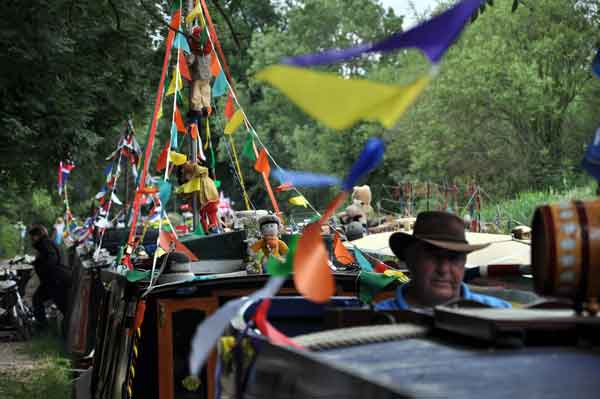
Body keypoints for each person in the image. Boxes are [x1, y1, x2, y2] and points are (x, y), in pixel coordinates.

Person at [375, 211, 511, 310]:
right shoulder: (373, 320)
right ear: (410, 260)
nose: (444, 269)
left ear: (464, 264)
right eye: (433, 256)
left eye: (454, 258)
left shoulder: (499, 312)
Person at [28, 224, 72, 331]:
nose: (31, 239)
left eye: (32, 236)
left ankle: (46, 328)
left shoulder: (44, 243)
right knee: (38, 298)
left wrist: (42, 267)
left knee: (64, 307)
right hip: (54, 279)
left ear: (37, 235)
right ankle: (42, 327)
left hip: (56, 280)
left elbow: (52, 259)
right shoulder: (46, 243)